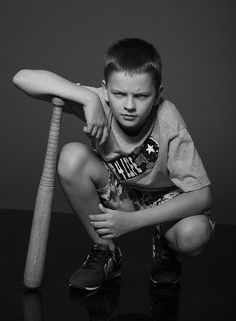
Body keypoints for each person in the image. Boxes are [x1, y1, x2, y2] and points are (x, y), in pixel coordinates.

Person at [13, 38, 214, 291]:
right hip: (120, 191)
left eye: (141, 96)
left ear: (157, 95)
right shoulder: (100, 102)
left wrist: (134, 221)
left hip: (167, 200)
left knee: (194, 235)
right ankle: (106, 253)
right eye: (119, 94)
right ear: (106, 90)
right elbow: (21, 78)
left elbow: (203, 196)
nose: (129, 105)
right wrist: (87, 98)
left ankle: (166, 244)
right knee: (71, 156)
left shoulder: (168, 119)